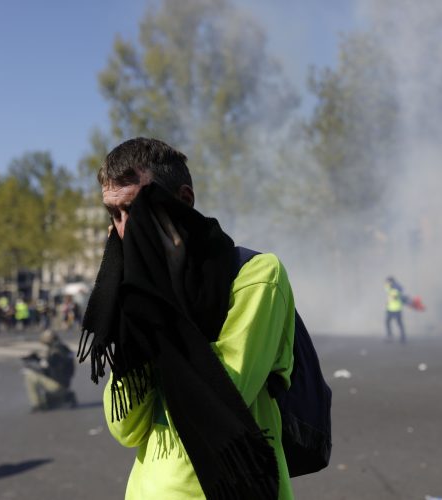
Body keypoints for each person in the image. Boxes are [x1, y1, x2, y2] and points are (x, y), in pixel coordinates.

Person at [79, 137, 296, 499]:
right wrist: (139, 310)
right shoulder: (137, 300)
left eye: (135, 209)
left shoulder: (256, 276)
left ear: (182, 201)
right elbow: (125, 428)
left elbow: (225, 399)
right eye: (113, 215)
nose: (123, 229)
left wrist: (169, 300)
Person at [23, 329, 77, 412]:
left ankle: (37, 405)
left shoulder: (56, 351)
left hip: (58, 385)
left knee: (29, 375)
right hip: (65, 384)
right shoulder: (63, 349)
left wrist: (37, 360)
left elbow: (50, 365)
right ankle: (65, 396)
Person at [384, 276, 406, 344]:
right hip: (390, 308)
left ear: (391, 281)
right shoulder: (390, 287)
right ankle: (390, 336)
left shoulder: (396, 288)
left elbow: (395, 296)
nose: (386, 283)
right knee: (388, 322)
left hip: (396, 309)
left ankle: (402, 337)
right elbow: (386, 289)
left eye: (388, 281)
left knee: (398, 323)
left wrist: (390, 299)